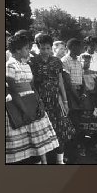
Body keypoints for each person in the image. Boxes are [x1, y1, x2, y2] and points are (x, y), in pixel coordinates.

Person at [5, 32, 59, 164]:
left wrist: (39, 104)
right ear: (18, 50)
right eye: (26, 48)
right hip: (18, 107)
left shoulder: (26, 65)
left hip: (32, 104)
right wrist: (24, 111)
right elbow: (13, 91)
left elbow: (32, 87)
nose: (29, 51)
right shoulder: (10, 65)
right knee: (24, 143)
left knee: (39, 143)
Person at [28, 34, 75, 164]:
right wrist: (37, 102)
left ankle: (60, 161)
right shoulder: (32, 62)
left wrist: (65, 102)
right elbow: (32, 84)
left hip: (56, 101)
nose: (46, 51)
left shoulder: (56, 61)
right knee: (41, 133)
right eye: (43, 48)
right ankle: (43, 162)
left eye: (48, 48)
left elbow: (60, 82)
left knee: (60, 131)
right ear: (38, 48)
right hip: (40, 102)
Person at [61, 38, 86, 161]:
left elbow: (82, 78)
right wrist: (77, 98)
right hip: (71, 95)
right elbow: (67, 83)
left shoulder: (79, 61)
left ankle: (75, 149)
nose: (81, 49)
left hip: (78, 93)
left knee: (78, 124)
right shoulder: (64, 61)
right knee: (72, 123)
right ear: (72, 48)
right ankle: (69, 152)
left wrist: (83, 93)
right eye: (79, 47)